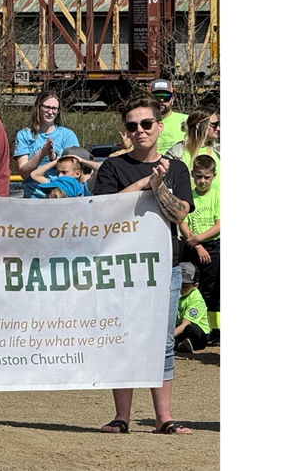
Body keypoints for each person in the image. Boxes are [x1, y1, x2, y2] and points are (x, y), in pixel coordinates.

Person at [94, 94, 194, 435]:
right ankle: (121, 417)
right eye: (132, 125)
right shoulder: (113, 167)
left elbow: (180, 213)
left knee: (163, 341)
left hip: (165, 265)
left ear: (159, 126)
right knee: (121, 337)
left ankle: (163, 418)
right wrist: (143, 184)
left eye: (146, 123)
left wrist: (161, 185)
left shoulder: (176, 168)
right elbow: (102, 211)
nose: (139, 130)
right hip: (121, 266)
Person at [179, 155, 221, 345]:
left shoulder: (217, 196)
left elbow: (219, 224)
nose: (202, 181)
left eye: (206, 177)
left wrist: (200, 239)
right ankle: (193, 326)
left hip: (213, 247)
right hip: (192, 247)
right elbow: (183, 222)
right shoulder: (188, 196)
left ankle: (215, 329)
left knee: (213, 289)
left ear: (214, 176)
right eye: (198, 177)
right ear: (192, 175)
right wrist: (196, 244)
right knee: (195, 286)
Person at [14, 90, 80, 198]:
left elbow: (75, 171)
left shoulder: (68, 135)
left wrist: (53, 158)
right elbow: (24, 173)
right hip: (34, 196)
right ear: (38, 107)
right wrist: (41, 154)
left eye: (54, 108)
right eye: (47, 107)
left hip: (61, 196)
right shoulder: (24, 135)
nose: (50, 112)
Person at [165, 107, 221, 192]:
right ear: (198, 126)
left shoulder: (219, 151)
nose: (218, 128)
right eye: (214, 125)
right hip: (188, 204)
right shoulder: (176, 153)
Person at [29, 146, 99, 196]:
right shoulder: (57, 183)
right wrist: (57, 161)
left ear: (78, 173)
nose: (59, 175)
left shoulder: (84, 189)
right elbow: (34, 175)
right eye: (58, 172)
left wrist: (81, 160)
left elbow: (100, 168)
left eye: (64, 172)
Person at [174, 262, 210, 353]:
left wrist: (166, 338)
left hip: (196, 332)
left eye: (185, 286)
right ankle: (179, 345)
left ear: (195, 286)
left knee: (191, 329)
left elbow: (185, 324)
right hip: (178, 328)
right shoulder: (172, 293)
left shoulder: (196, 299)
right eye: (178, 283)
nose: (180, 288)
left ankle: (178, 344)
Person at [149, 79, 188, 155]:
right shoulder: (141, 124)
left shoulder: (187, 120)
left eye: (166, 96)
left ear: (172, 99)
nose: (161, 100)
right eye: (156, 96)